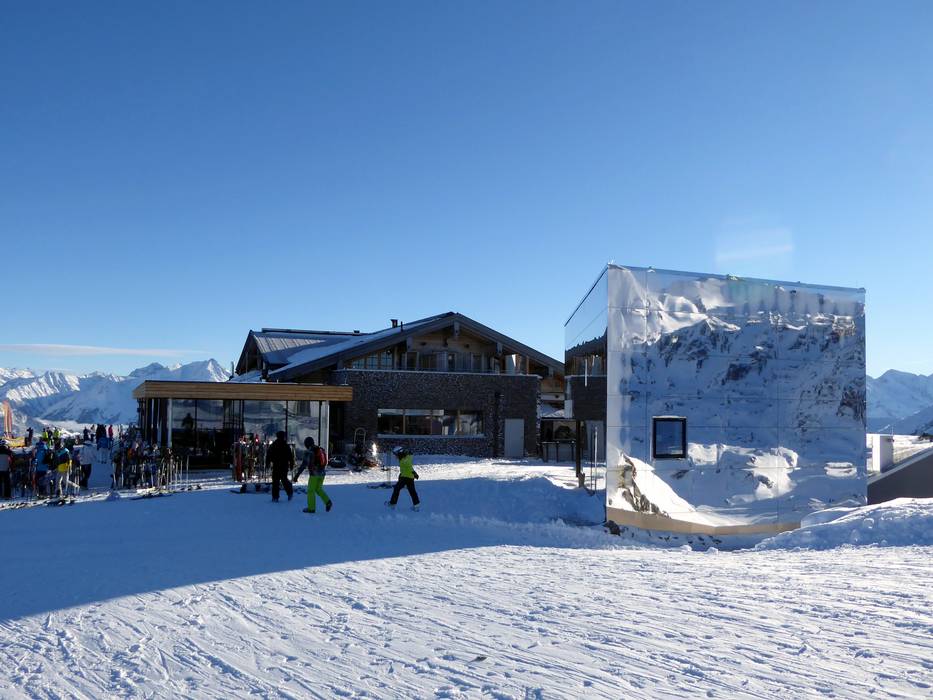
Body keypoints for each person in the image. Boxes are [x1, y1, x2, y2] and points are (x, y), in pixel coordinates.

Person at [300, 437, 332, 514]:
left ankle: (311, 508)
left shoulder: (309, 452)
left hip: (314, 474)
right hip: (322, 473)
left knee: (310, 491)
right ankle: (328, 502)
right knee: (318, 489)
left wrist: (296, 476)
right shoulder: (320, 449)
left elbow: (304, 465)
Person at [265, 430, 293, 502]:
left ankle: (275, 497)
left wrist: (268, 463)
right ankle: (289, 493)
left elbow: (268, 455)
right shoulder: (286, 445)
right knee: (284, 480)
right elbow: (290, 456)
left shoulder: (274, 445)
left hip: (276, 465)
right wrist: (291, 465)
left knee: (275, 481)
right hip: (284, 465)